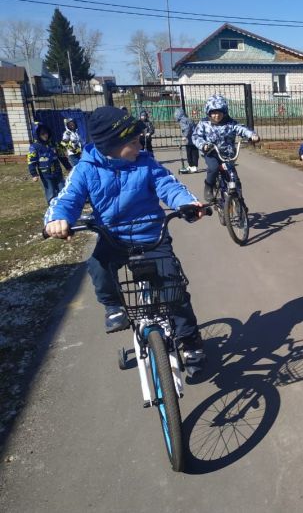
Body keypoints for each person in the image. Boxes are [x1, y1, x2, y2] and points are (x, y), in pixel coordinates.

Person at [43, 106, 206, 368]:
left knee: (173, 287)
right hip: (113, 236)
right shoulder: (85, 169)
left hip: (151, 234)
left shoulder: (146, 162)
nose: (139, 144)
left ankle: (189, 340)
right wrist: (57, 220)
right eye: (132, 141)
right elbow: (68, 198)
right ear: (111, 145)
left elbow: (169, 186)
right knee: (98, 266)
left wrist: (186, 203)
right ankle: (113, 306)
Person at [192, 94, 259, 202]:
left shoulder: (231, 123)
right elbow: (196, 136)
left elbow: (241, 129)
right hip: (211, 152)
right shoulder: (204, 123)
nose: (216, 115)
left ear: (224, 112)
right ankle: (209, 187)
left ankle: (239, 200)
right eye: (213, 113)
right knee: (213, 168)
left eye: (219, 112)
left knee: (234, 178)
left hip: (227, 154)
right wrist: (203, 145)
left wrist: (252, 135)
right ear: (209, 113)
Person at [28, 122, 66, 204]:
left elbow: (62, 156)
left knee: (62, 189)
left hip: (57, 171)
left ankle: (63, 208)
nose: (45, 135)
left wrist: (68, 167)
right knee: (50, 192)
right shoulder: (34, 147)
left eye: (46, 133)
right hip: (45, 174)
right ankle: (52, 209)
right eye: (42, 134)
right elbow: (31, 161)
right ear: (37, 134)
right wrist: (34, 174)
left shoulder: (53, 144)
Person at [174, 108, 199, 173]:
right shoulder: (187, 119)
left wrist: (185, 136)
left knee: (191, 153)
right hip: (193, 139)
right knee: (193, 153)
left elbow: (187, 128)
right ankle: (192, 166)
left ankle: (193, 166)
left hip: (190, 140)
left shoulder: (183, 121)